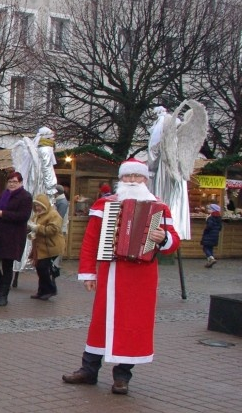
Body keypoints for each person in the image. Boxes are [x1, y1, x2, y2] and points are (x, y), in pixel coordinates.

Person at [62, 158, 180, 395]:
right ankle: (89, 370)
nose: (133, 181)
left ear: (145, 180)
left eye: (137, 177)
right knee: (100, 322)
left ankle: (122, 376)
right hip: (111, 273)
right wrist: (88, 272)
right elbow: (90, 241)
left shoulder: (159, 208)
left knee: (134, 325)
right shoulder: (104, 205)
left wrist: (163, 238)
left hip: (142, 277)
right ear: (120, 179)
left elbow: (173, 243)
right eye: (128, 177)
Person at [0, 172, 32, 306]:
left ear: (20, 183)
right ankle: (0, 289)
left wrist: (3, 214)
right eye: (10, 181)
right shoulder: (3, 194)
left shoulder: (25, 197)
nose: (12, 184)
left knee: (7, 266)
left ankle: (4, 295)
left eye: (15, 182)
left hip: (13, 237)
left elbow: (23, 216)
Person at [27, 194, 65, 301]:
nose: (37, 208)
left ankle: (50, 290)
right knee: (40, 268)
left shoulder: (53, 215)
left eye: (39, 205)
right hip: (41, 247)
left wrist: (37, 228)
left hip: (51, 247)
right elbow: (35, 228)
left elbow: (53, 230)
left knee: (43, 268)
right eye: (36, 205)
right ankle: (42, 291)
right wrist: (30, 229)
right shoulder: (37, 215)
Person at [201, 203, 222, 268]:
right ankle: (209, 263)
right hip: (215, 236)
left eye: (209, 209)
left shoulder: (210, 218)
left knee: (205, 248)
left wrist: (206, 229)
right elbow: (220, 227)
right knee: (210, 248)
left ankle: (211, 259)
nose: (208, 210)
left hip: (209, 235)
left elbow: (209, 226)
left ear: (213, 210)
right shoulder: (219, 218)